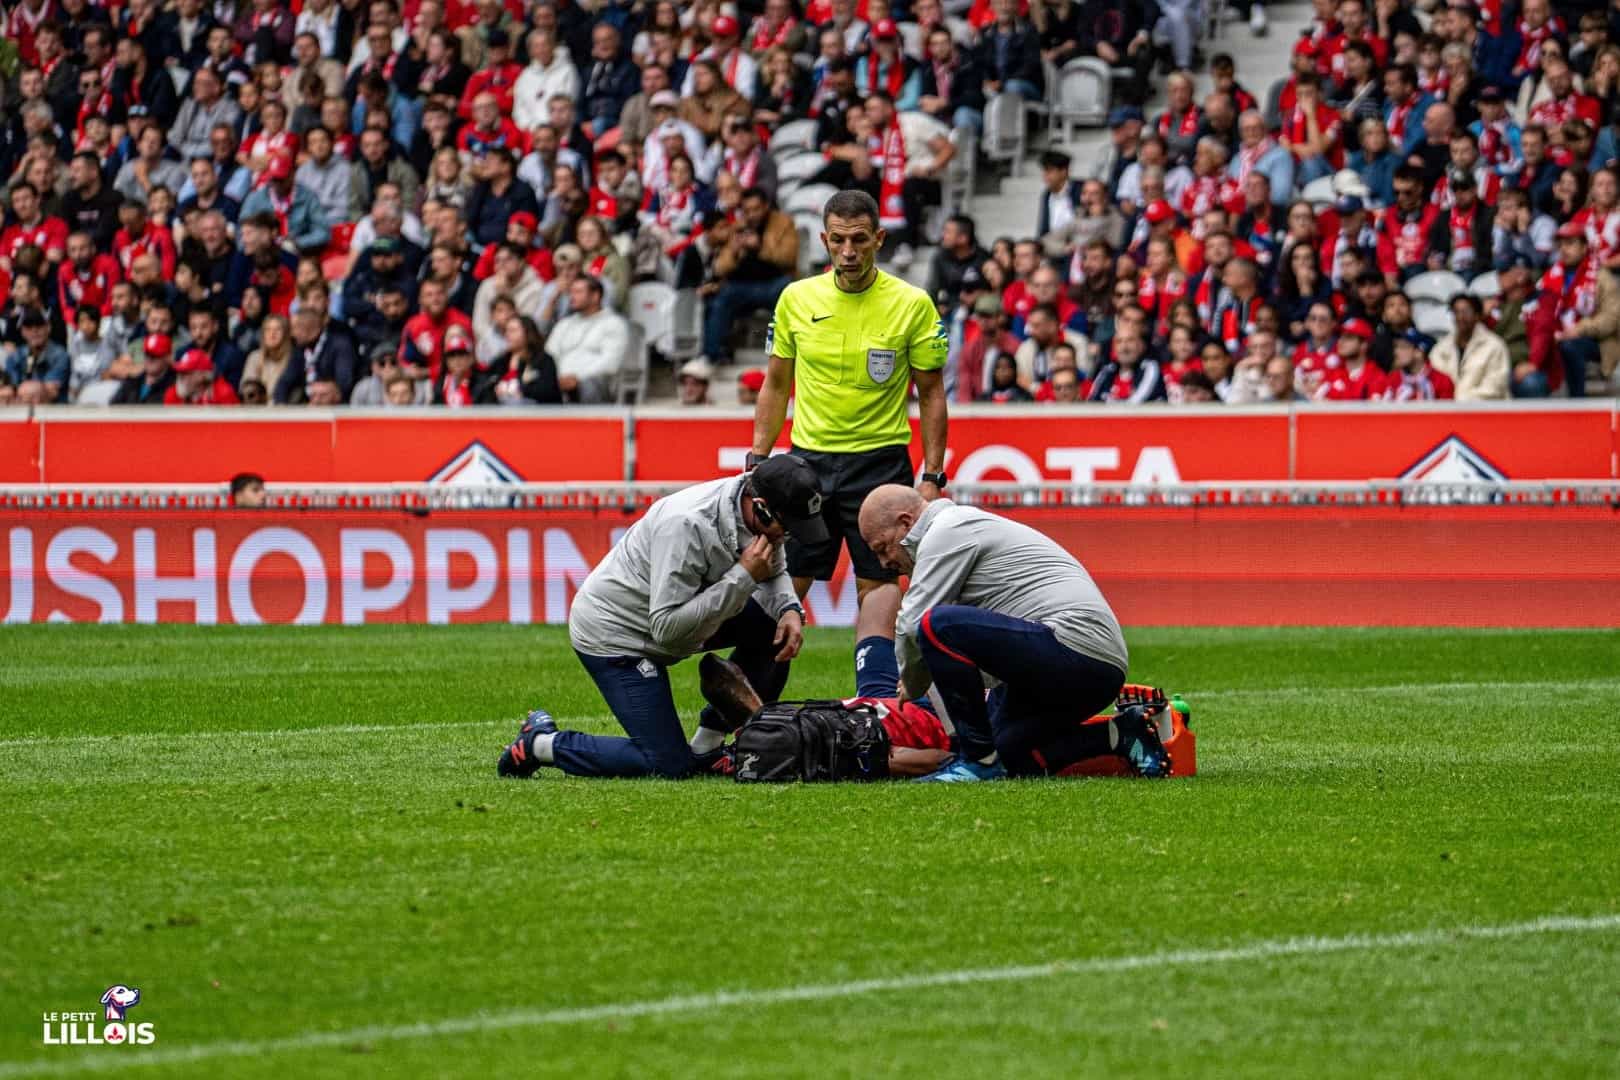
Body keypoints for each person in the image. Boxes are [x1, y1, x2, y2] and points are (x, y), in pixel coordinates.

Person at [496, 454, 824, 781]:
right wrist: (742, 577)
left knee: (775, 626)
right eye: (788, 529)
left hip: (678, 619)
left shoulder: (758, 514)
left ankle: (706, 747)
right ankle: (540, 743)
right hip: (617, 636)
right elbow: (667, 631)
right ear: (762, 507)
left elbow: (774, 570)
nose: (786, 539)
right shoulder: (685, 524)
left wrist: (789, 608)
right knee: (665, 765)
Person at [856, 485, 1167, 782]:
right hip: (1085, 668)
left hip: (1077, 652)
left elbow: (914, 626)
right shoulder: (952, 533)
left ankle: (977, 764)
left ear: (905, 522)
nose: (885, 563)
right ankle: (1120, 733)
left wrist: (911, 683)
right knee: (1006, 755)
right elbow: (937, 652)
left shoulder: (947, 529)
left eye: (883, 548)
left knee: (936, 625)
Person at [753, 189, 948, 627]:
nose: (848, 252)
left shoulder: (912, 303)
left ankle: (876, 692)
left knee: (879, 584)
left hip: (879, 464)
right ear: (824, 239)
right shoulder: (796, 299)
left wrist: (932, 475)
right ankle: (749, 695)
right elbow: (776, 383)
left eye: (859, 240)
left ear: (878, 238)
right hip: (807, 463)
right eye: (838, 240)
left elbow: (932, 393)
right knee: (784, 582)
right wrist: (758, 461)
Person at [1429, 294, 1510, 399]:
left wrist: (1460, 400)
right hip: (1449, 410)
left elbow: (1495, 386)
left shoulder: (1494, 345)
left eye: (1466, 311)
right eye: (1456, 312)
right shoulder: (1441, 348)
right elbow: (1435, 380)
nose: (1460, 317)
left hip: (1487, 410)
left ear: (1477, 315)